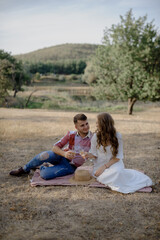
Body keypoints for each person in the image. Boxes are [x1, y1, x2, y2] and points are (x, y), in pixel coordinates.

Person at [82, 112, 153, 194]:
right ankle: (119, 177)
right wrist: (87, 155)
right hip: (100, 164)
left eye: (97, 123)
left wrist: (104, 167)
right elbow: (94, 154)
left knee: (117, 172)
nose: (96, 125)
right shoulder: (95, 137)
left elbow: (118, 156)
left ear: (104, 124)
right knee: (102, 177)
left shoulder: (117, 136)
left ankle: (129, 177)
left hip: (114, 163)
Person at [9, 113, 92, 180]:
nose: (86, 127)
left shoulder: (93, 138)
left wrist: (88, 155)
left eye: (87, 124)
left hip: (71, 166)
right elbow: (55, 147)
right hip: (61, 157)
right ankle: (24, 169)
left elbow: (97, 154)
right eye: (82, 125)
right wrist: (64, 154)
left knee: (45, 175)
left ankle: (43, 167)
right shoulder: (71, 134)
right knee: (44, 155)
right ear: (76, 127)